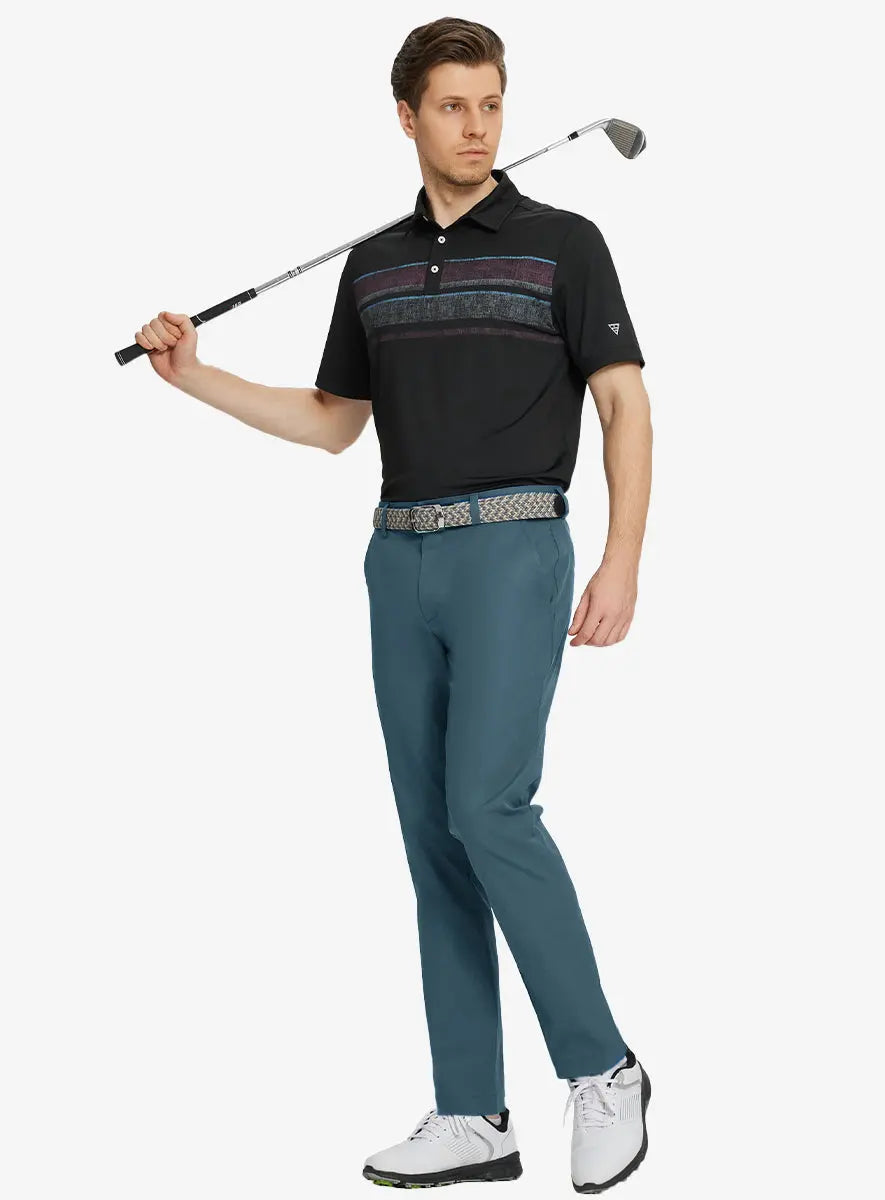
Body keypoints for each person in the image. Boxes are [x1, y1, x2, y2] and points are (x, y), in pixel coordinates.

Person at [132, 15, 652, 1195]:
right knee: (433, 837)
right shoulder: (371, 264)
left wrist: (622, 559)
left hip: (514, 548)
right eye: (453, 107)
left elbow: (625, 406)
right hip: (397, 559)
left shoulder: (565, 244)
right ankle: (473, 1112)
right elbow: (332, 423)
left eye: (492, 105)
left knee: (490, 809)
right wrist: (195, 375)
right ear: (408, 117)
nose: (478, 129)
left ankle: (604, 1066)